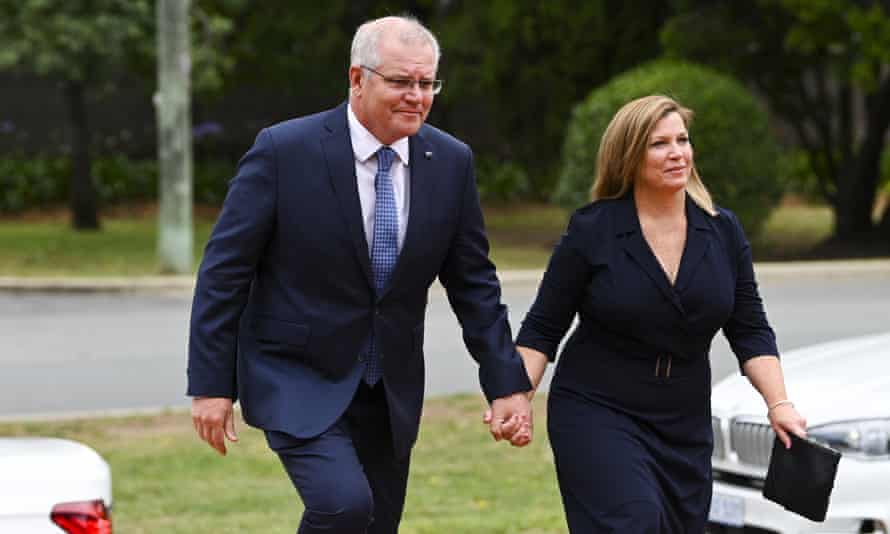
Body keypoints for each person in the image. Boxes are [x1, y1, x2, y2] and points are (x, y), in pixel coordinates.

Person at [187, 15, 532, 534]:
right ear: (357, 79)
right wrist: (212, 385)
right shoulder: (285, 151)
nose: (416, 96)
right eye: (400, 82)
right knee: (343, 507)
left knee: (376, 523)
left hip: (389, 388)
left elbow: (474, 285)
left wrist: (506, 384)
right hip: (296, 376)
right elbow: (223, 274)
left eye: (426, 83)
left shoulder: (451, 162)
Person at [512, 95, 807, 532]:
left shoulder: (722, 230)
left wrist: (779, 404)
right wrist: (516, 395)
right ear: (629, 156)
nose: (676, 153)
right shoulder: (594, 229)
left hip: (682, 419)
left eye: (682, 140)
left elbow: (750, 328)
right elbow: (543, 326)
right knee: (633, 521)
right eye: (658, 144)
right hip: (598, 409)